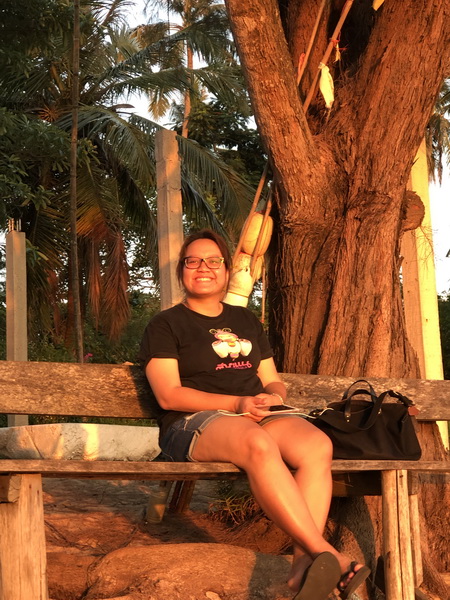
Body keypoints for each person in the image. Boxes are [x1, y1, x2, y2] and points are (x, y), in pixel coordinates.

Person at [139, 229, 370, 600]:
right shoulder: (166, 325)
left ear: (226, 270)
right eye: (193, 261)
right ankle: (326, 553)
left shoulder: (245, 321)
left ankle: (301, 569)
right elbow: (169, 396)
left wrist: (272, 398)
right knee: (258, 443)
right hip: (191, 422)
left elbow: (272, 379)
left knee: (317, 446)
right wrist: (236, 404)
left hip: (253, 414)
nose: (203, 268)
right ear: (182, 271)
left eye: (213, 261)